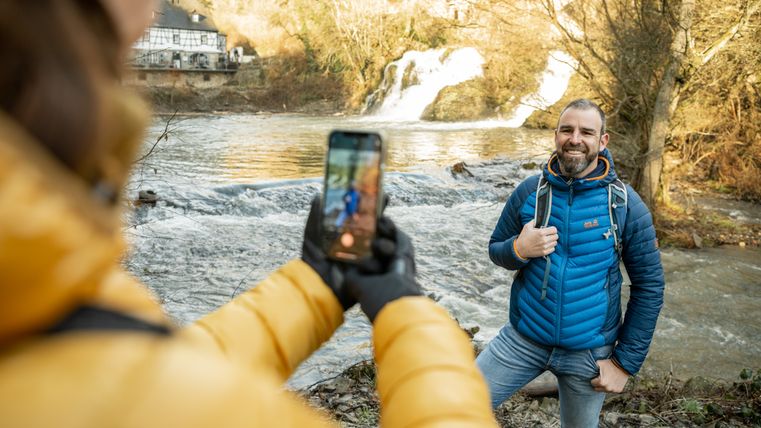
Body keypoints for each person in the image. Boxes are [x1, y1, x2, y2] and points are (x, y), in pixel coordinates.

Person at [0, 1, 497, 427]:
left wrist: (316, 285)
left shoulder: (36, 277)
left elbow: (136, 367)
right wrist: (405, 309)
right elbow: (147, 391)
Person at [476, 99, 665, 427]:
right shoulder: (528, 192)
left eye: (586, 132)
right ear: (556, 136)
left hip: (590, 354)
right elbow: (497, 250)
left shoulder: (625, 204)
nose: (575, 138)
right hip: (523, 340)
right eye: (567, 129)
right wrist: (519, 249)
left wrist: (624, 364)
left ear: (602, 141)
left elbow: (649, 286)